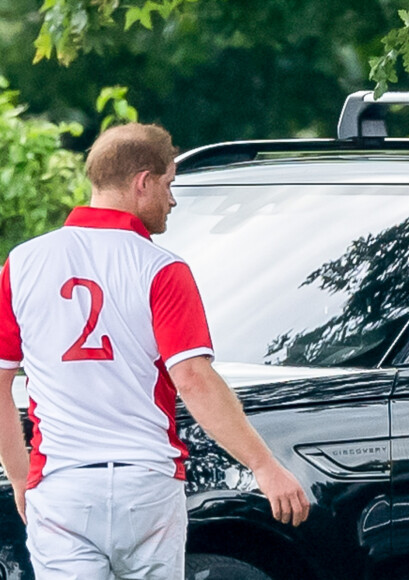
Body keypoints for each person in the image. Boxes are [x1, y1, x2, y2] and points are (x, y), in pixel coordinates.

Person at [0, 123, 310, 579]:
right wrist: (264, 465)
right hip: (145, 484)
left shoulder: (21, 263)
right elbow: (193, 379)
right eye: (168, 185)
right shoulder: (161, 268)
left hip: (63, 484)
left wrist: (21, 476)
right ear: (142, 182)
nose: (173, 200)